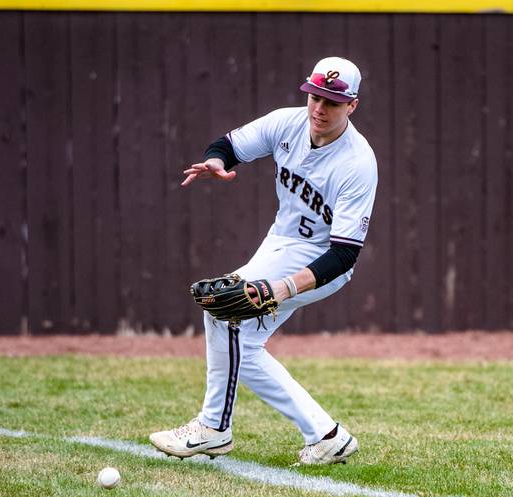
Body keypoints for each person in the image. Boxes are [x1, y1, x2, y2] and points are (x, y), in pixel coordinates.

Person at [150, 57, 378, 465]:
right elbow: (229, 146)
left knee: (226, 315)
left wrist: (281, 288)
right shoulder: (287, 123)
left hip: (321, 260)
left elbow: (344, 254)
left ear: (352, 106)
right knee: (232, 322)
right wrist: (216, 162)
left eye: (331, 101)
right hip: (281, 242)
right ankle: (325, 435)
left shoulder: (358, 163)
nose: (319, 109)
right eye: (315, 97)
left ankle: (214, 428)